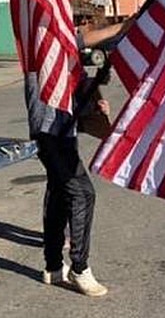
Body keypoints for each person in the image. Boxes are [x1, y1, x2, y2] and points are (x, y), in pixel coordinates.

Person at [37, 19, 129, 297]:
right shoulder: (41, 34)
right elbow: (72, 41)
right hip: (49, 127)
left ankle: (53, 266)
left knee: (59, 195)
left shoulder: (63, 50)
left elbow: (74, 72)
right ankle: (79, 268)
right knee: (82, 193)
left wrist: (94, 101)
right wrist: (120, 28)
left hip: (61, 127)